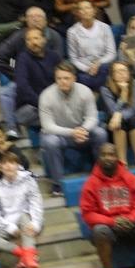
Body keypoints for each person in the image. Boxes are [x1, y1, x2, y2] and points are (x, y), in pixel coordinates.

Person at [0, 8, 63, 138]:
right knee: (6, 93)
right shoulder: (18, 39)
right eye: (31, 17)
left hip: (49, 81)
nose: (35, 20)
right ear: (25, 20)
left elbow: (59, 68)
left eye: (38, 17)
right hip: (27, 80)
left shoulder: (54, 37)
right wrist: (17, 74)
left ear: (46, 20)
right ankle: (12, 128)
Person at [39, 62, 108, 196]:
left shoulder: (85, 91)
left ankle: (102, 175)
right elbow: (47, 126)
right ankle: (58, 184)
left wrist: (83, 129)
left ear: (74, 78)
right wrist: (71, 132)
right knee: (50, 141)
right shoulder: (46, 96)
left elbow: (92, 117)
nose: (62, 81)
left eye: (66, 78)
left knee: (100, 133)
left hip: (82, 132)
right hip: (60, 135)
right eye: (59, 78)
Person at [0, 152, 44, 268]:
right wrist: (11, 228)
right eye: (4, 163)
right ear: (1, 167)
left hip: (27, 221)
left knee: (23, 215)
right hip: (8, 225)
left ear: (18, 166)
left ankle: (29, 258)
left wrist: (36, 224)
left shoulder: (29, 181)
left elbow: (36, 204)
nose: (8, 165)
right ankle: (23, 254)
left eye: (12, 162)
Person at [11, 27, 63, 133]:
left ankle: (53, 125)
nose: (33, 42)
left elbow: (64, 78)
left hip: (54, 103)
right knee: (22, 116)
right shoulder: (23, 58)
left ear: (44, 39)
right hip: (33, 105)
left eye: (36, 38)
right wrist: (43, 104)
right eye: (29, 40)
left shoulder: (54, 56)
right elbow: (22, 86)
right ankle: (57, 124)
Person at [101, 61, 135, 168]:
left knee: (132, 119)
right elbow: (112, 110)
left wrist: (118, 115)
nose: (122, 74)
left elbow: (134, 109)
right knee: (120, 122)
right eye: (119, 71)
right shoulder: (105, 89)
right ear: (112, 75)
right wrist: (123, 93)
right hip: (111, 124)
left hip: (131, 121)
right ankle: (122, 162)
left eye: (125, 71)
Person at [66, 0, 116, 91]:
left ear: (94, 10)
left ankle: (95, 92)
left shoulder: (105, 28)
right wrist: (87, 69)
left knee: (104, 68)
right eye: (81, 9)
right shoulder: (72, 32)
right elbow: (73, 58)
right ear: (77, 12)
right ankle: (99, 90)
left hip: (103, 66)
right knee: (83, 78)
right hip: (85, 70)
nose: (85, 11)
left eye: (88, 8)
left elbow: (111, 53)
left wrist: (98, 64)